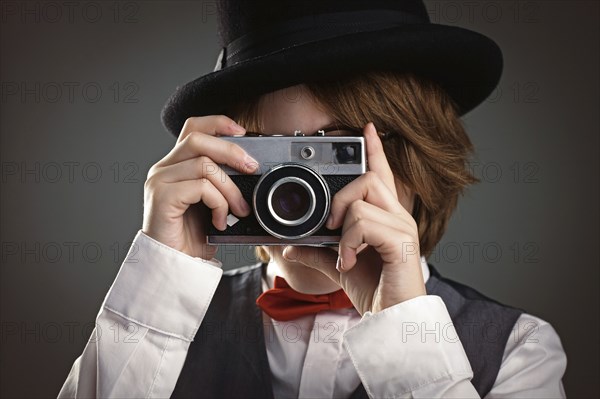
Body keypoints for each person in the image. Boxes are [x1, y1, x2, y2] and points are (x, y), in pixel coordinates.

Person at [58, 1, 567, 398]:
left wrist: (407, 330)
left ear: (419, 159)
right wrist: (160, 274)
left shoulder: (519, 350)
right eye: (274, 158)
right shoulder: (160, 319)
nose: (300, 191)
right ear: (226, 160)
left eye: (337, 154)